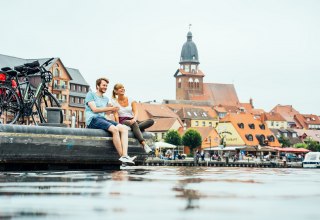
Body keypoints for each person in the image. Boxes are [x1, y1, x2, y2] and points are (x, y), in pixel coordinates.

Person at [85, 77, 135, 164]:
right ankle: (122, 157)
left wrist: (113, 109)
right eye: (103, 85)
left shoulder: (106, 99)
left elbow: (106, 113)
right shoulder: (91, 94)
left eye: (106, 86)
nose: (105, 87)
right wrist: (110, 108)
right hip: (93, 119)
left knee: (124, 128)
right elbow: (95, 109)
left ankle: (125, 155)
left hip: (102, 119)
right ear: (97, 86)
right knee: (114, 129)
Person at [111, 83, 154, 153]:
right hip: (123, 121)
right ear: (116, 91)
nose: (122, 89)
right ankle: (144, 144)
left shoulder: (131, 99)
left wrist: (134, 119)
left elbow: (136, 111)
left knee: (151, 121)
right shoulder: (114, 102)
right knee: (134, 124)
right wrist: (118, 125)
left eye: (123, 87)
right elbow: (116, 115)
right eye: (120, 88)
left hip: (133, 120)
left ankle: (132, 129)